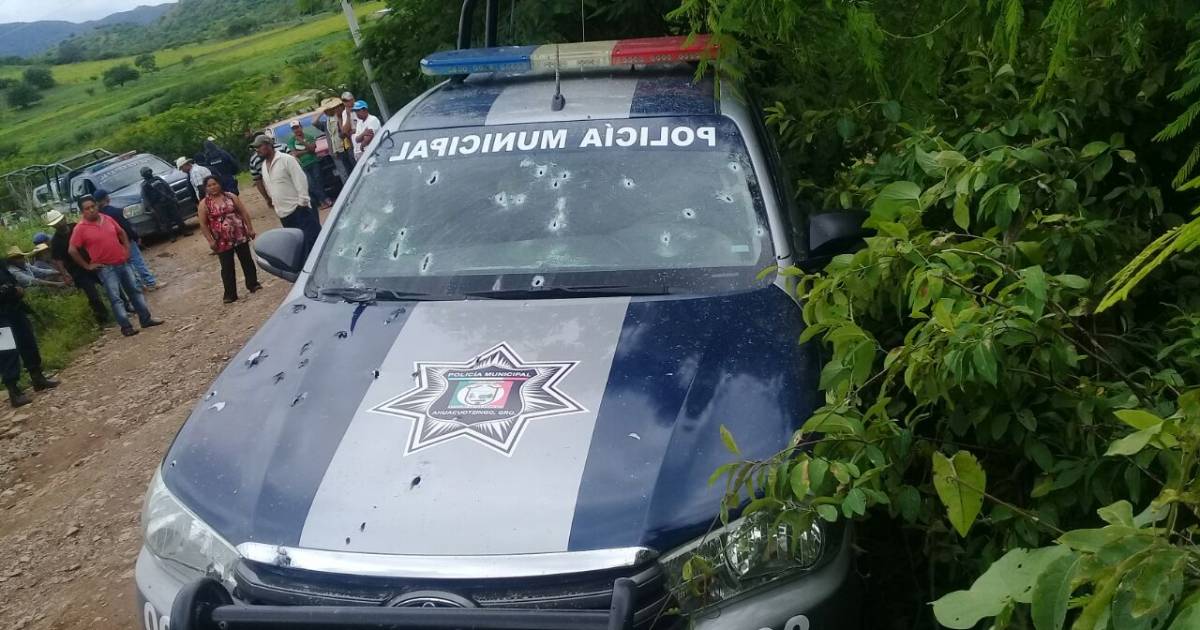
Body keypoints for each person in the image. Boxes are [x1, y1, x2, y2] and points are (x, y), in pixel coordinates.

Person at [68, 196, 164, 337]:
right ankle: (126, 327)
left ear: (97, 205)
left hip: (122, 262)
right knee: (116, 298)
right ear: (82, 212)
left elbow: (121, 232)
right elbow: (72, 250)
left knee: (135, 291)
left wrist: (127, 250)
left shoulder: (107, 218)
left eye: (93, 206)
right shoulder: (80, 228)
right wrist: (87, 266)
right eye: (87, 209)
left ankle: (146, 319)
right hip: (105, 268)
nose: (91, 210)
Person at [0, 261, 60, 407]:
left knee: (28, 341)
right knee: (8, 351)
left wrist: (16, 288)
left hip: (14, 307)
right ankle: (14, 391)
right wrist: (9, 290)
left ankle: (37, 377)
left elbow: (9, 278)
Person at [253, 134, 321, 260]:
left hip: (300, 210)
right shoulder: (263, 166)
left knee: (314, 243)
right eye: (255, 148)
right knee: (299, 248)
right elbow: (270, 187)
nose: (257, 150)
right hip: (284, 214)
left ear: (268, 145)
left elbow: (301, 180)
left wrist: (302, 203)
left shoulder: (286, 159)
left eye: (259, 147)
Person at [197, 176, 262, 304]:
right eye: (209, 186)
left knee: (246, 260)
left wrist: (250, 228)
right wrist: (210, 241)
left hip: (239, 234)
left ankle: (253, 284)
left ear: (219, 184)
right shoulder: (204, 204)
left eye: (214, 184)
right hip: (221, 239)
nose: (213, 187)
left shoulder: (231, 197)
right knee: (226, 266)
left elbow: (243, 213)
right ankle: (230, 294)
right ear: (206, 188)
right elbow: (203, 224)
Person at [44, 210, 111, 326]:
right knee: (93, 295)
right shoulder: (56, 241)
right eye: (56, 224)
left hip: (93, 261)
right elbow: (58, 260)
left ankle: (124, 306)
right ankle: (103, 319)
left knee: (110, 284)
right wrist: (65, 275)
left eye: (60, 221)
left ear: (64, 219)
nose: (59, 225)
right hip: (77, 271)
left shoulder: (76, 227)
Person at [96, 188, 160, 291]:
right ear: (106, 198)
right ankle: (150, 283)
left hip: (114, 245)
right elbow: (126, 227)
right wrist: (135, 237)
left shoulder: (99, 217)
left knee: (128, 265)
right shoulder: (115, 211)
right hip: (126, 241)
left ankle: (138, 286)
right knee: (137, 261)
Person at [287, 120, 329, 210]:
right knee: (310, 184)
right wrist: (307, 150)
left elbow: (313, 150)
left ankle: (323, 201)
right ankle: (325, 199)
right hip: (302, 165)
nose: (296, 130)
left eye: (297, 127)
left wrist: (302, 141)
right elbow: (295, 153)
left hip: (314, 162)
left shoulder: (309, 136)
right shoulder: (291, 141)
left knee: (318, 182)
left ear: (301, 127)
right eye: (294, 129)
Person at [139, 167, 188, 241]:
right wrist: (151, 208)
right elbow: (145, 198)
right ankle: (171, 236)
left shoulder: (157, 178)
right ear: (143, 175)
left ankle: (184, 231)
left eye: (149, 171)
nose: (148, 173)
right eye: (146, 172)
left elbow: (167, 186)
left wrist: (173, 196)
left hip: (168, 200)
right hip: (158, 204)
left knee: (177, 217)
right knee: (165, 221)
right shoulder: (144, 185)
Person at [323, 96, 354, 182]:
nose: (335, 110)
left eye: (336, 107)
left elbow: (344, 133)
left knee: (353, 168)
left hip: (349, 147)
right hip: (342, 148)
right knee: (348, 171)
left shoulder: (345, 115)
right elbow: (340, 134)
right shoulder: (332, 119)